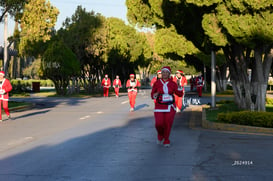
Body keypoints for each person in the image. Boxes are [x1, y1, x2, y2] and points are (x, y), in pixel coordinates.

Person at [151, 66, 183, 147]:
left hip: (170, 106)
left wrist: (179, 88)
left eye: (166, 72)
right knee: (158, 124)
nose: (164, 74)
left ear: (169, 74)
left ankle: (166, 139)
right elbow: (152, 94)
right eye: (163, 72)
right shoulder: (157, 83)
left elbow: (180, 94)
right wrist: (155, 94)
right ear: (161, 74)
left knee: (168, 124)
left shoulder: (173, 83)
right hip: (159, 106)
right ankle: (160, 135)